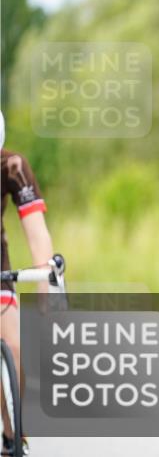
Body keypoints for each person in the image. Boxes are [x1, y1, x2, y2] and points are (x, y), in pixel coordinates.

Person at [1, 112, 55, 457]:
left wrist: (44, 277)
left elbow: (35, 228)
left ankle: (11, 432)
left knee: (14, 346)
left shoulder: (13, 166)